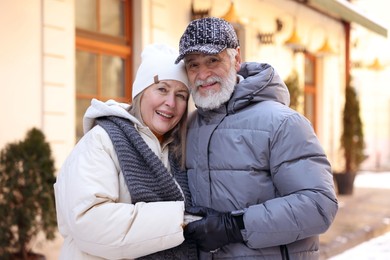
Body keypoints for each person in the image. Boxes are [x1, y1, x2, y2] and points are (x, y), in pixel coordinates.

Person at [175, 17, 338, 259]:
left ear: (237, 58)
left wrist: (235, 226)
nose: (203, 74)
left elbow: (319, 205)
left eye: (213, 60)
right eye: (193, 65)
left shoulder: (282, 123)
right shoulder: (189, 127)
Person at [54, 43, 198, 259]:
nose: (170, 103)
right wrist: (182, 222)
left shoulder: (178, 151)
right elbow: (89, 223)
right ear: (140, 93)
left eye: (181, 95)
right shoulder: (102, 140)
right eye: (162, 89)